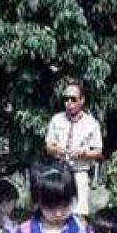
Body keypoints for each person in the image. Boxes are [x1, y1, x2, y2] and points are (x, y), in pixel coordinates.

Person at [44, 79, 104, 218]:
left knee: (79, 214)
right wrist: (59, 150)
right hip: (58, 172)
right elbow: (48, 146)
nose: (69, 103)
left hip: (79, 172)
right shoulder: (56, 119)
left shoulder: (92, 123)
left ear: (82, 100)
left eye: (73, 99)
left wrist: (84, 153)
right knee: (55, 211)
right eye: (66, 99)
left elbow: (98, 151)